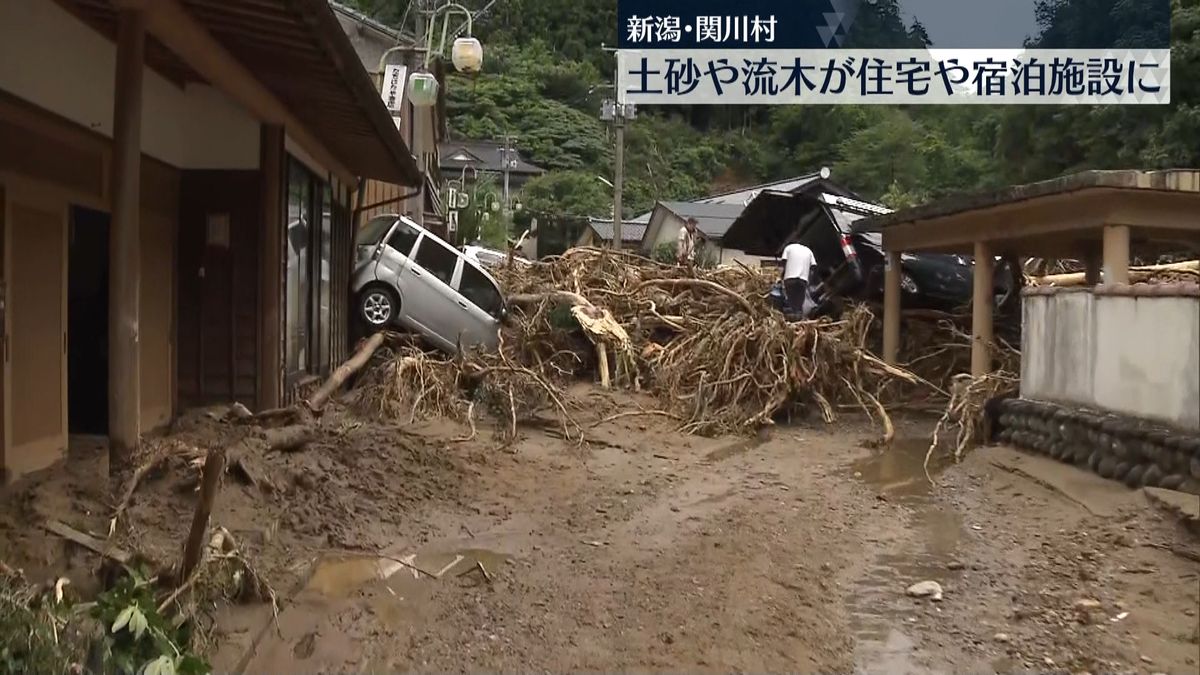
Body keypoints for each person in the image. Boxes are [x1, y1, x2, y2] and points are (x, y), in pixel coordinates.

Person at [780, 239, 816, 316]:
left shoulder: (788, 247)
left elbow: (784, 262)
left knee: (791, 300)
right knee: (799, 302)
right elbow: (813, 268)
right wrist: (809, 280)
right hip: (803, 280)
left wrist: (782, 275)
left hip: (789, 278)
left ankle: (791, 318)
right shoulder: (809, 251)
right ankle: (799, 317)